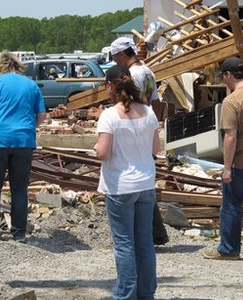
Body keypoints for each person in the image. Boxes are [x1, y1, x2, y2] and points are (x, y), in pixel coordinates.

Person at [94, 64, 158, 299]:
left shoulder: (109, 116)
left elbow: (103, 153)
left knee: (124, 245)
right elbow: (156, 148)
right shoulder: (148, 112)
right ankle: (146, 293)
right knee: (145, 243)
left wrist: (95, 147)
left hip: (120, 186)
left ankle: (125, 294)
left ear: (110, 85)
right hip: (146, 184)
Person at [0, 52, 46, 242]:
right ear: (17, 66)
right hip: (24, 141)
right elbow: (42, 115)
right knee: (19, 188)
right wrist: (29, 129)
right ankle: (19, 232)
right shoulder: (31, 85)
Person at [110, 36, 169, 245]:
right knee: (144, 182)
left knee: (132, 184)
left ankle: (146, 234)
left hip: (131, 130)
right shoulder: (148, 71)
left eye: (115, 56)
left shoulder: (131, 75)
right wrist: (155, 126)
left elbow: (127, 103)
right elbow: (157, 103)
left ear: (121, 54)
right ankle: (156, 233)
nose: (114, 61)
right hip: (146, 128)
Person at [203, 57, 243, 260]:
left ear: (228, 75)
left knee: (232, 205)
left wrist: (227, 168)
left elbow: (231, 136)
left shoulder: (232, 101)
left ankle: (229, 249)